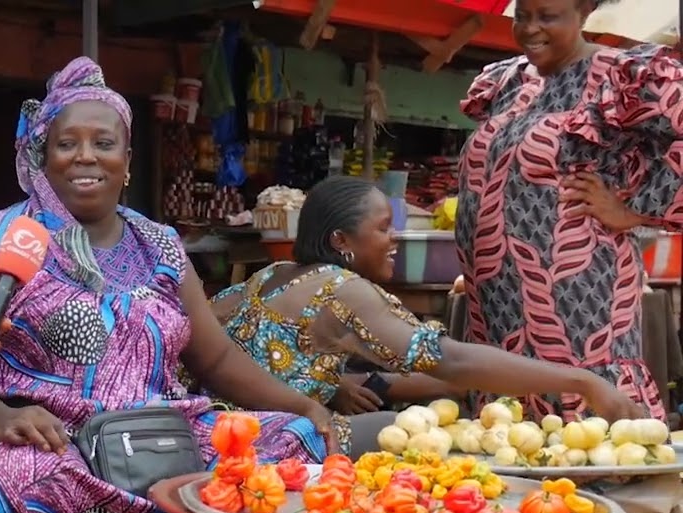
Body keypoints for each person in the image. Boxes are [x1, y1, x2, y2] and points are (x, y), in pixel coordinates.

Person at [0, 57, 343, 513]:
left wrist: (302, 404)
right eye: (67, 143)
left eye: (104, 143)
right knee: (24, 478)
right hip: (51, 442)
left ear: (127, 159)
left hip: (158, 437)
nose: (86, 156)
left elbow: (215, 357)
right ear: (44, 154)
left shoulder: (159, 245)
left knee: (294, 441)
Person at [208, 176, 641, 456]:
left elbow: (226, 338)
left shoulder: (271, 274)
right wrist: (582, 380)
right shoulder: (341, 290)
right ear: (341, 239)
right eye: (382, 228)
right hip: (261, 444)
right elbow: (448, 359)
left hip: (219, 431)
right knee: (423, 434)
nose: (393, 238)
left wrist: (333, 381)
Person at [457, 0, 683, 421]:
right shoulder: (507, 80)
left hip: (576, 295)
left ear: (583, 13)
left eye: (547, 16)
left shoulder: (622, 77)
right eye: (522, 15)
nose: (530, 28)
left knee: (580, 430)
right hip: (494, 298)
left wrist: (633, 212)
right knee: (510, 438)